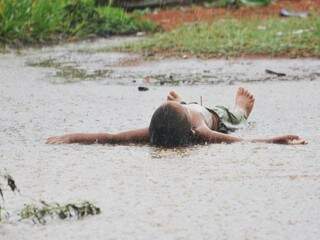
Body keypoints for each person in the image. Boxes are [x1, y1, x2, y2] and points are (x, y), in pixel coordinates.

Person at [46, 87, 306, 146]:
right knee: (179, 106)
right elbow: (109, 137)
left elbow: (236, 142)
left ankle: (239, 106)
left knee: (236, 119)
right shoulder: (155, 130)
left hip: (216, 115)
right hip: (187, 107)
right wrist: (68, 137)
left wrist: (274, 140)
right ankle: (177, 101)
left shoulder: (200, 129)